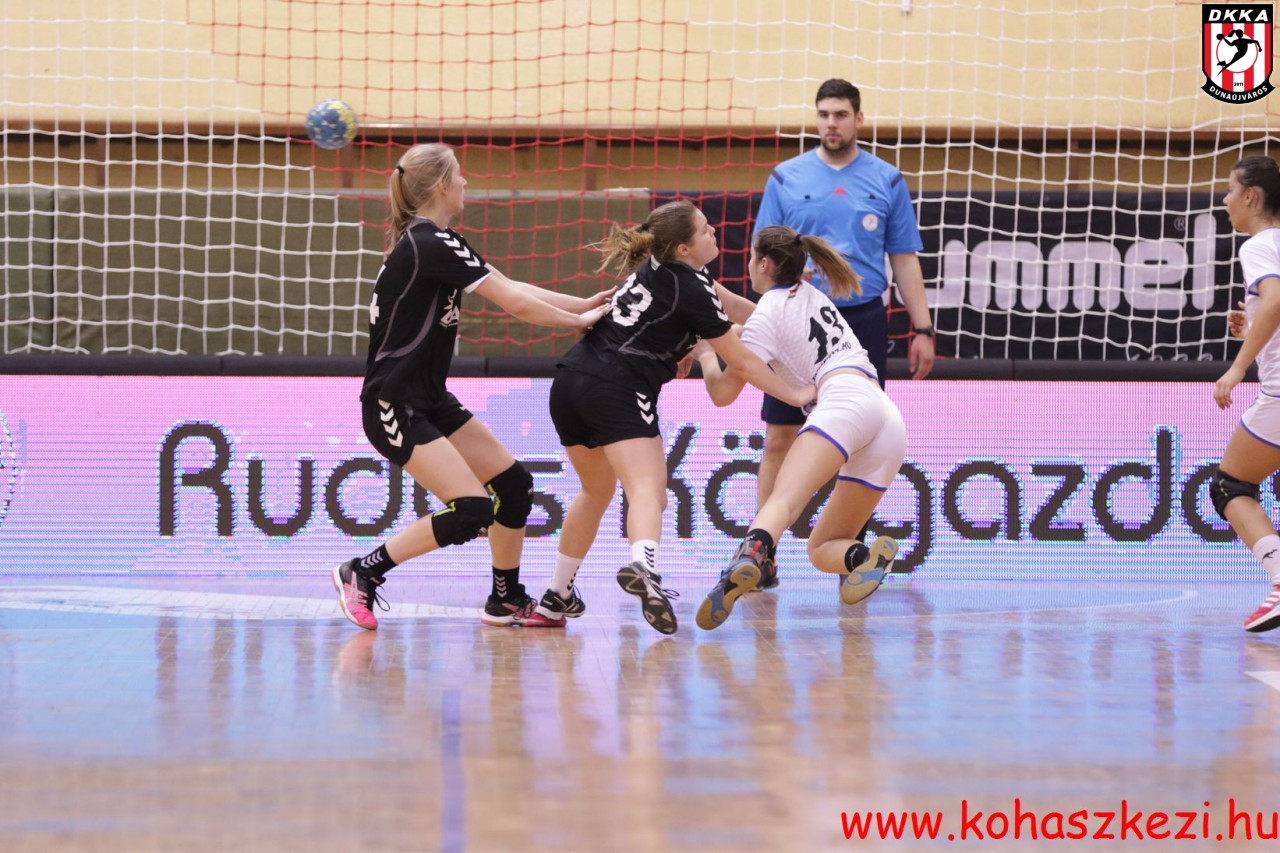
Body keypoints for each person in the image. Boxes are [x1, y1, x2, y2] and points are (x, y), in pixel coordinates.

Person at [332, 142, 612, 631]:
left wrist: (582, 305)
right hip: (394, 404)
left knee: (513, 486)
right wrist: (578, 322)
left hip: (429, 398)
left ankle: (505, 598)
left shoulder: (440, 240)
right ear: (442, 185)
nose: (466, 182)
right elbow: (514, 304)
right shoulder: (429, 243)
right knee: (472, 509)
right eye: (459, 175)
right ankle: (363, 571)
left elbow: (510, 286)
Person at [532, 200, 817, 634]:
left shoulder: (658, 268)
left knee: (595, 490)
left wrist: (787, 315)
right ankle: (644, 567)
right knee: (648, 489)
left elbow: (738, 308)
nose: (714, 231)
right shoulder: (693, 288)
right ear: (684, 248)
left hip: (570, 381)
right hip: (616, 387)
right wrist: (795, 393)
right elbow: (743, 361)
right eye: (704, 229)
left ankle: (557, 595)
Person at [751, 78, 934, 588]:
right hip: (797, 319)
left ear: (858, 119)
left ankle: (850, 556)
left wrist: (923, 327)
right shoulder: (786, 177)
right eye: (824, 114)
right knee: (780, 436)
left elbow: (904, 259)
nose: (831, 123)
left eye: (841, 114)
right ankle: (761, 557)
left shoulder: (886, 180)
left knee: (861, 439)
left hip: (860, 322)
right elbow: (762, 256)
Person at [692, 225, 906, 630]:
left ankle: (749, 556)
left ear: (764, 264)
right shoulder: (810, 295)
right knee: (822, 548)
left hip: (842, 403)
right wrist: (703, 288)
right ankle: (864, 557)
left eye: (751, 258)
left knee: (783, 501)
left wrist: (706, 354)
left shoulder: (766, 317)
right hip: (886, 418)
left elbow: (722, 393)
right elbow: (742, 309)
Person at [1212, 154, 1280, 634]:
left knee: (1230, 486)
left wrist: (1237, 368)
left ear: (1252, 196)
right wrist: (1252, 324)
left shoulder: (1259, 245)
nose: (1225, 199)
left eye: (1231, 190)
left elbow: (1276, 299)